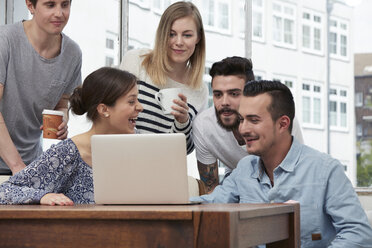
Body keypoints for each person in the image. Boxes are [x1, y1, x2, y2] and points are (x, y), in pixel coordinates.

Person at [192, 80, 372, 247]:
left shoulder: (325, 170)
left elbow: (359, 233)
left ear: (282, 124)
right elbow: (210, 204)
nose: (243, 129)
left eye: (253, 120)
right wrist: (171, 200)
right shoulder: (244, 169)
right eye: (241, 120)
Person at [0, 67, 143, 205]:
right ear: (104, 109)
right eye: (131, 101)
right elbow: (6, 190)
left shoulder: (141, 145)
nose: (140, 107)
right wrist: (43, 196)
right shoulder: (67, 153)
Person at [193, 57, 304, 192]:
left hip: (282, 186)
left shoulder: (279, 120)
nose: (224, 102)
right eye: (217, 94)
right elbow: (211, 190)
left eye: (234, 94)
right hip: (238, 185)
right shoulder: (204, 126)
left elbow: (298, 174)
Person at [0, 0, 82, 175]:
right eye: (50, 5)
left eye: (65, 5)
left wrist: (63, 119)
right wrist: (16, 166)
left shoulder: (73, 53)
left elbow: (62, 102)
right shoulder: (4, 41)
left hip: (29, 164)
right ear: (30, 5)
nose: (59, 13)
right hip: (17, 166)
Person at [119, 1, 208, 154]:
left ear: (198, 37)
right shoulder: (137, 61)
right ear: (162, 34)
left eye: (187, 35)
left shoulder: (200, 90)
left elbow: (185, 150)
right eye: (171, 34)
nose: (178, 42)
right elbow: (113, 117)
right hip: (125, 156)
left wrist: (183, 122)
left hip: (165, 167)